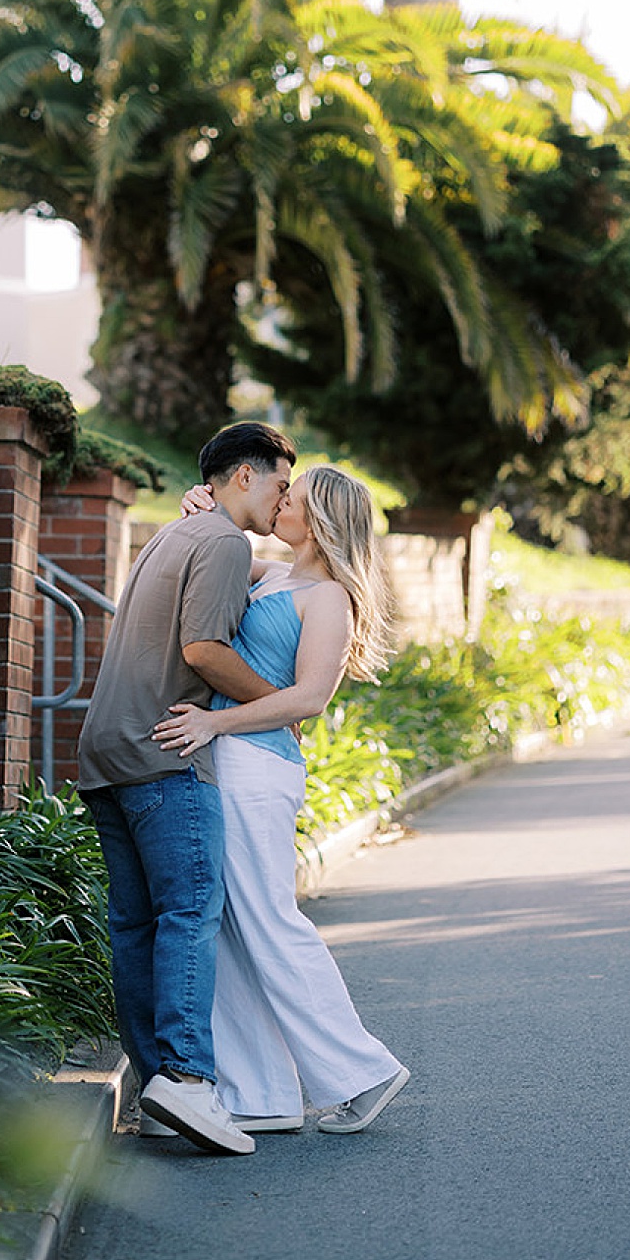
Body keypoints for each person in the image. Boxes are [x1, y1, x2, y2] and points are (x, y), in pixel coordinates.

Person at [152, 464, 410, 1135]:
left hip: (259, 769)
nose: (278, 501)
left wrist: (213, 721)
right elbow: (208, 566)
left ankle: (365, 1071)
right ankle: (261, 1094)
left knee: (266, 920)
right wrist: (199, 514)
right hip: (235, 766)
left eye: (291, 498)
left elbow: (310, 698)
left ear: (319, 519)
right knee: (233, 926)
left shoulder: (327, 597)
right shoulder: (277, 575)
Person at [77, 421, 296, 1156]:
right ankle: (189, 1080)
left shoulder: (176, 537)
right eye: (278, 483)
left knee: (136, 924)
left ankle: (156, 1085)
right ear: (243, 477)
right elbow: (203, 649)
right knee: (190, 912)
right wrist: (275, 706)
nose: (283, 498)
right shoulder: (226, 541)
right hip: (167, 752)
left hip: (106, 749)